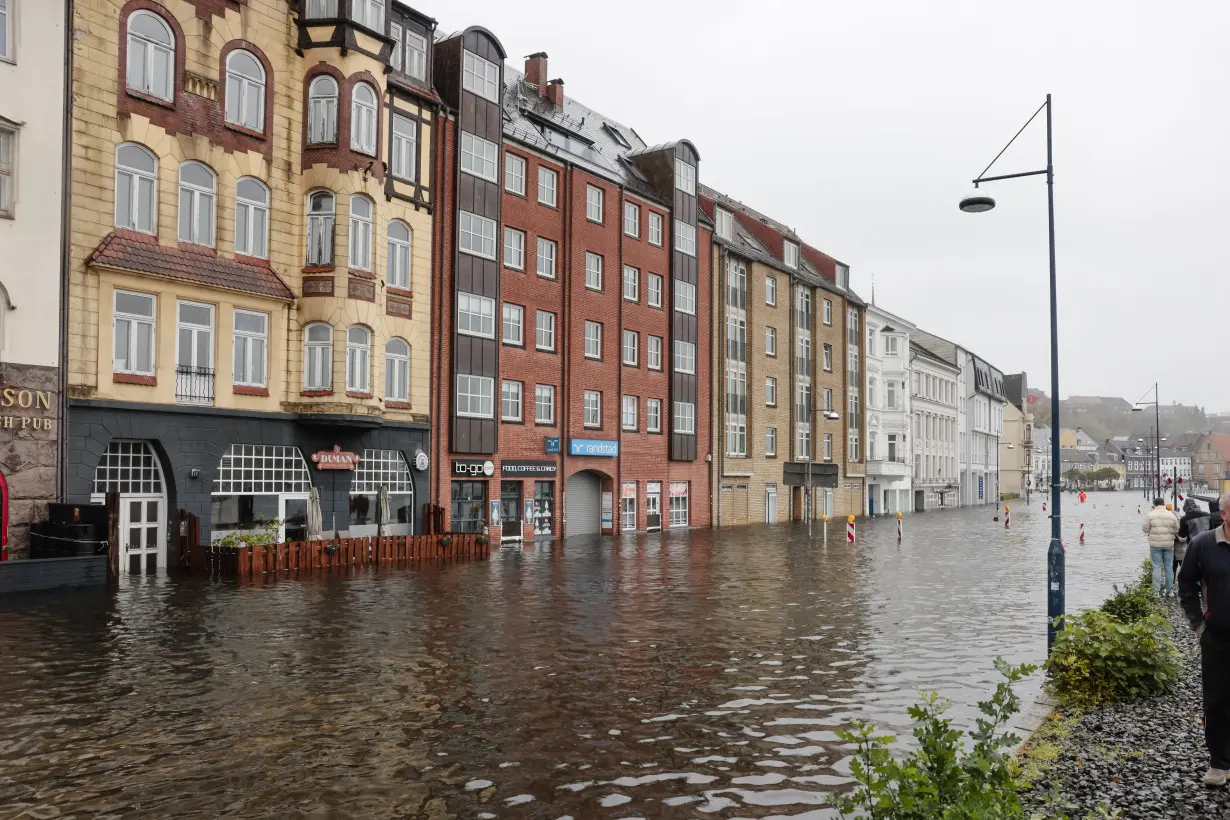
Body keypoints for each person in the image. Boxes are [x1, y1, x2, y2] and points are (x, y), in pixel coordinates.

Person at [1179, 490, 1230, 787]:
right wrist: (1198, 625)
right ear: (1223, 513)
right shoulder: (1203, 545)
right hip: (1217, 636)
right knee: (1216, 700)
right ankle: (1218, 763)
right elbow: (1186, 585)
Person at [1142, 496, 1180, 597]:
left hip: (1155, 545)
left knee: (1157, 568)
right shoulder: (1171, 515)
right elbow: (1177, 529)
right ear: (1164, 504)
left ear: (1155, 504)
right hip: (1168, 544)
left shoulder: (1150, 515)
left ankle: (1156, 592)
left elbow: (1145, 529)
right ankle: (1170, 591)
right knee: (1168, 567)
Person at [1179, 498, 1213, 577]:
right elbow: (1212, 528)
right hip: (1207, 543)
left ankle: (1197, 583)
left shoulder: (1184, 519)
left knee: (1194, 565)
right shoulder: (1207, 515)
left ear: (1185, 507)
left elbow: (1182, 534)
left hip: (1193, 545)